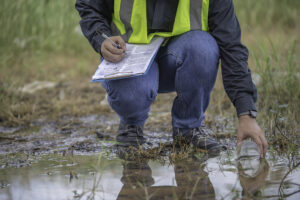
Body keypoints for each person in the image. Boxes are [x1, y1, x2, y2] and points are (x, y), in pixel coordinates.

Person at [75, 0, 268, 157]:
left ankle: (188, 129)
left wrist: (246, 114)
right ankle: (130, 124)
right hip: (127, 59)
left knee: (203, 48)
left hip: (180, 58)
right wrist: (101, 38)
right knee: (133, 93)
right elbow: (89, 6)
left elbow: (232, 48)